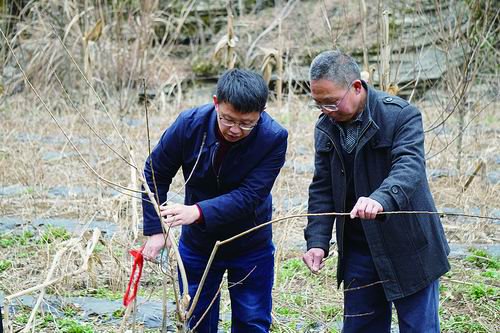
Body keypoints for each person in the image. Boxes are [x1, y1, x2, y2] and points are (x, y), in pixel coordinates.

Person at [302, 50, 450, 333]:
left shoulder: (400, 116)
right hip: (359, 249)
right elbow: (322, 186)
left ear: (356, 87)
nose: (325, 111)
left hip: (409, 246)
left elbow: (409, 168)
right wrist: (317, 240)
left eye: (331, 103)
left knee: (419, 328)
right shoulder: (325, 128)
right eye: (318, 104)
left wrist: (380, 199)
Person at [141, 68, 288, 332]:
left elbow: (251, 196)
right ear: (215, 102)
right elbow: (155, 172)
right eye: (228, 119)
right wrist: (155, 229)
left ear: (262, 113)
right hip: (198, 243)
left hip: (250, 243)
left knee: (252, 321)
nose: (235, 129)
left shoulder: (273, 138)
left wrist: (197, 211)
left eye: (246, 123)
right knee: (196, 318)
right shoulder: (190, 124)